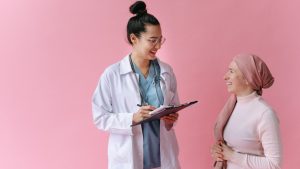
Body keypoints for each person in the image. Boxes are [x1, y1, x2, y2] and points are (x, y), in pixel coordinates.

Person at [92, 1, 180, 169]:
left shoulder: (166, 72)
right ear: (134, 38)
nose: (158, 46)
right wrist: (132, 118)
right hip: (128, 158)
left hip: (163, 156)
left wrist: (171, 118)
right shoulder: (112, 75)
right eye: (153, 40)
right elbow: (100, 117)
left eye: (160, 40)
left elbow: (173, 107)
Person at [211, 54, 282, 169]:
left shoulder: (265, 114)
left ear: (247, 79)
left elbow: (274, 165)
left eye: (231, 71)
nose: (225, 76)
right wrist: (219, 151)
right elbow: (232, 147)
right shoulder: (232, 107)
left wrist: (232, 156)